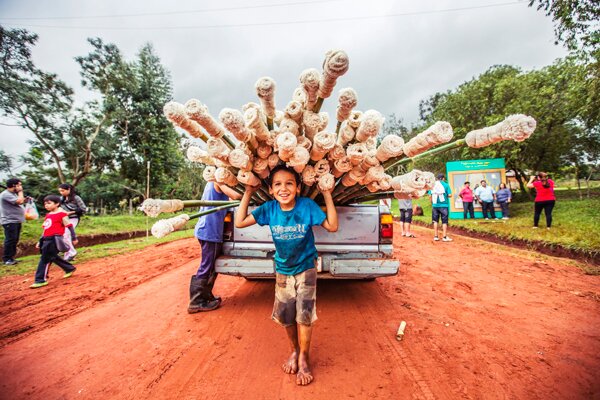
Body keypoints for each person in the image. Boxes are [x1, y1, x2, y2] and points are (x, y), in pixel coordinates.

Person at [234, 165, 338, 386]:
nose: (284, 188)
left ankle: (303, 357)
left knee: (305, 314)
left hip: (306, 267)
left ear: (298, 188)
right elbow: (240, 222)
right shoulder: (269, 209)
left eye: (289, 183)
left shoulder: (307, 206)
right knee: (286, 316)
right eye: (278, 184)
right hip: (282, 269)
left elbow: (332, 225)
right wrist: (248, 192)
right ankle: (293, 350)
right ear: (271, 190)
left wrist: (327, 193)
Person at [188, 181, 241, 313]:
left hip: (207, 230)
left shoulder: (211, 181)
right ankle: (196, 301)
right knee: (207, 266)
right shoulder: (218, 180)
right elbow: (235, 196)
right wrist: (250, 191)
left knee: (211, 266)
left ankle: (205, 296)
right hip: (210, 231)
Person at [30, 195, 77, 288]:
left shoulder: (62, 214)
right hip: (46, 239)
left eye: (49, 203)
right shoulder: (48, 215)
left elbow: (69, 226)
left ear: (57, 204)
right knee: (52, 256)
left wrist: (74, 238)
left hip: (55, 239)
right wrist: (40, 240)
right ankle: (69, 268)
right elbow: (45, 229)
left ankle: (40, 279)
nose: (46, 205)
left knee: (45, 259)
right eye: (45, 203)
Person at [1, 178, 28, 265]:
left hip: (16, 220)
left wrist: (25, 199)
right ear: (14, 186)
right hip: (9, 220)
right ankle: (7, 259)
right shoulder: (5, 194)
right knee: (10, 239)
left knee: (15, 239)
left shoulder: (12, 194)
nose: (21, 187)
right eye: (19, 185)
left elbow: (20, 201)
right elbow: (19, 201)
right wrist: (20, 192)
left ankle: (11, 257)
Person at [58, 183, 88, 262]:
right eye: (60, 191)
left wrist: (70, 213)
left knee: (66, 234)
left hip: (73, 218)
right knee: (64, 236)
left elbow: (83, 209)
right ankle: (68, 255)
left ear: (69, 189)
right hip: (64, 219)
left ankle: (71, 253)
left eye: (63, 191)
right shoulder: (61, 198)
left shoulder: (76, 198)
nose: (61, 192)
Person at [429, 173, 452, 242]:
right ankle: (444, 237)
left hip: (435, 205)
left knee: (435, 221)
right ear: (443, 178)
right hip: (444, 205)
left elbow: (430, 196)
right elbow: (450, 195)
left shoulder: (433, 185)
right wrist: (445, 196)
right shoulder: (446, 185)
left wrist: (432, 203)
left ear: (437, 179)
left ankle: (436, 236)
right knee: (444, 221)